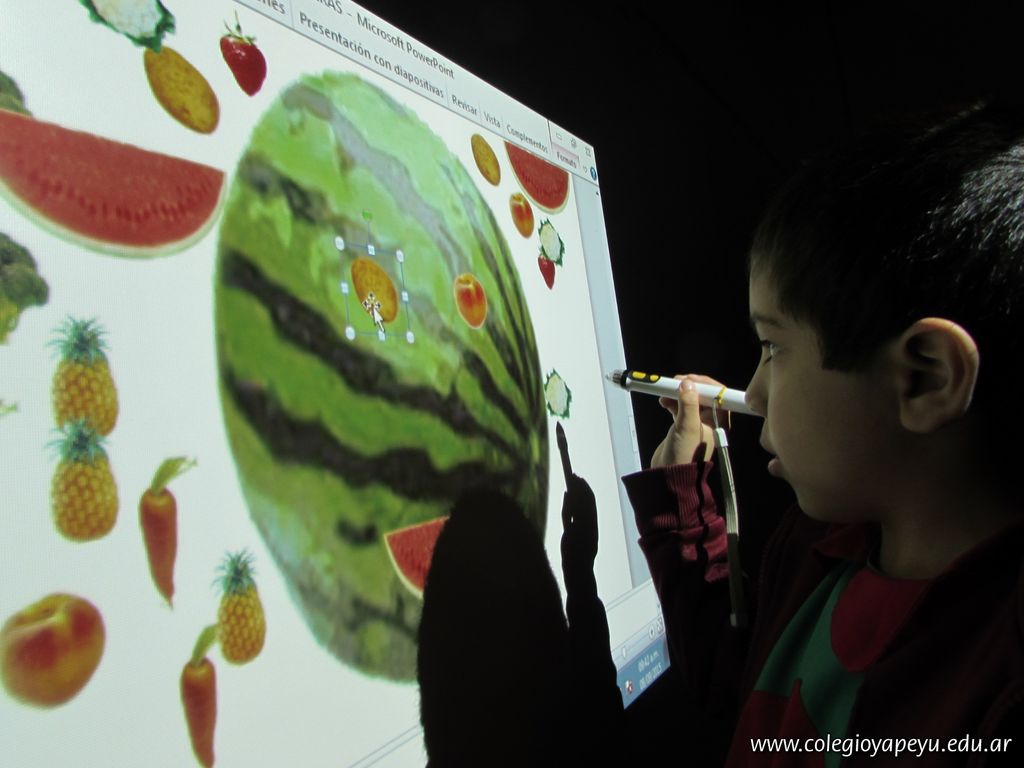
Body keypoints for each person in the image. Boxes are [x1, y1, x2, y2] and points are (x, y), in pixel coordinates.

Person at [622, 101, 1024, 766]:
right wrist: (683, 508)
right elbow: (736, 684)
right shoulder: (819, 546)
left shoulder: (998, 687)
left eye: (773, 347)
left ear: (925, 377)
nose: (753, 392)